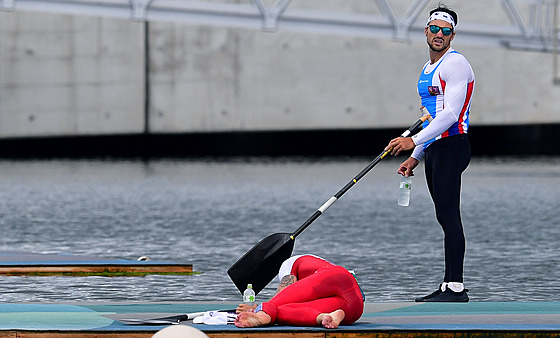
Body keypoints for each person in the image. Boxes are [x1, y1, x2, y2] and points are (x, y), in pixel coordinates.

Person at [385, 3, 474, 302]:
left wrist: (412, 141)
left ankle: (456, 287)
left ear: (452, 36)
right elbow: (429, 116)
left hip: (453, 146)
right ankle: (448, 285)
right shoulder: (426, 70)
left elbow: (449, 115)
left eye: (445, 31)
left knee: (450, 215)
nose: (439, 34)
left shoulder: (456, 64)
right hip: (434, 147)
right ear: (425, 31)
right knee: (443, 216)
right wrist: (416, 155)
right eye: (434, 28)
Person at [234, 254, 364, 329]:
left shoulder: (290, 263)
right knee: (281, 312)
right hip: (354, 309)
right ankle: (323, 317)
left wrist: (259, 309)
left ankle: (262, 314)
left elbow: (283, 294)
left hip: (338, 278)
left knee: (275, 307)